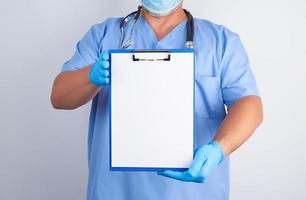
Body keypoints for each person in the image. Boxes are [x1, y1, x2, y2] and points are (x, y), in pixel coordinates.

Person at [51, 0, 263, 199]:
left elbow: (249, 104)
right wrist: (91, 76)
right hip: (115, 191)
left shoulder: (221, 42)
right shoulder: (104, 35)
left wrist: (219, 149)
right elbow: (59, 97)